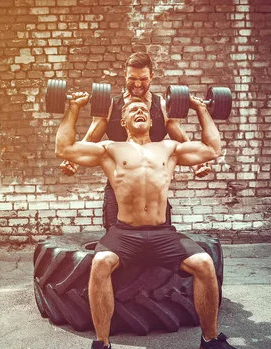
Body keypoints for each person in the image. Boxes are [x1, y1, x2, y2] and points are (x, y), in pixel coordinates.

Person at [55, 90, 248, 349]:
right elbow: (65, 149)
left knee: (205, 264)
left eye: (142, 108)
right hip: (124, 233)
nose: (139, 110)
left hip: (162, 233)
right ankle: (102, 345)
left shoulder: (168, 148)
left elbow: (212, 148)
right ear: (123, 120)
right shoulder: (110, 149)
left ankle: (210, 339)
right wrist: (73, 107)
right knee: (100, 264)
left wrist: (199, 108)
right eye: (132, 109)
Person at [59, 52, 211, 229]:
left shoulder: (162, 105)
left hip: (153, 187)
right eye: (132, 78)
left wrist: (196, 163)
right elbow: (92, 137)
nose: (138, 84)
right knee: (116, 238)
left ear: (152, 76)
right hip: (120, 185)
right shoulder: (109, 105)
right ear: (125, 74)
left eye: (143, 79)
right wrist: (72, 160)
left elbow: (180, 136)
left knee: (159, 235)